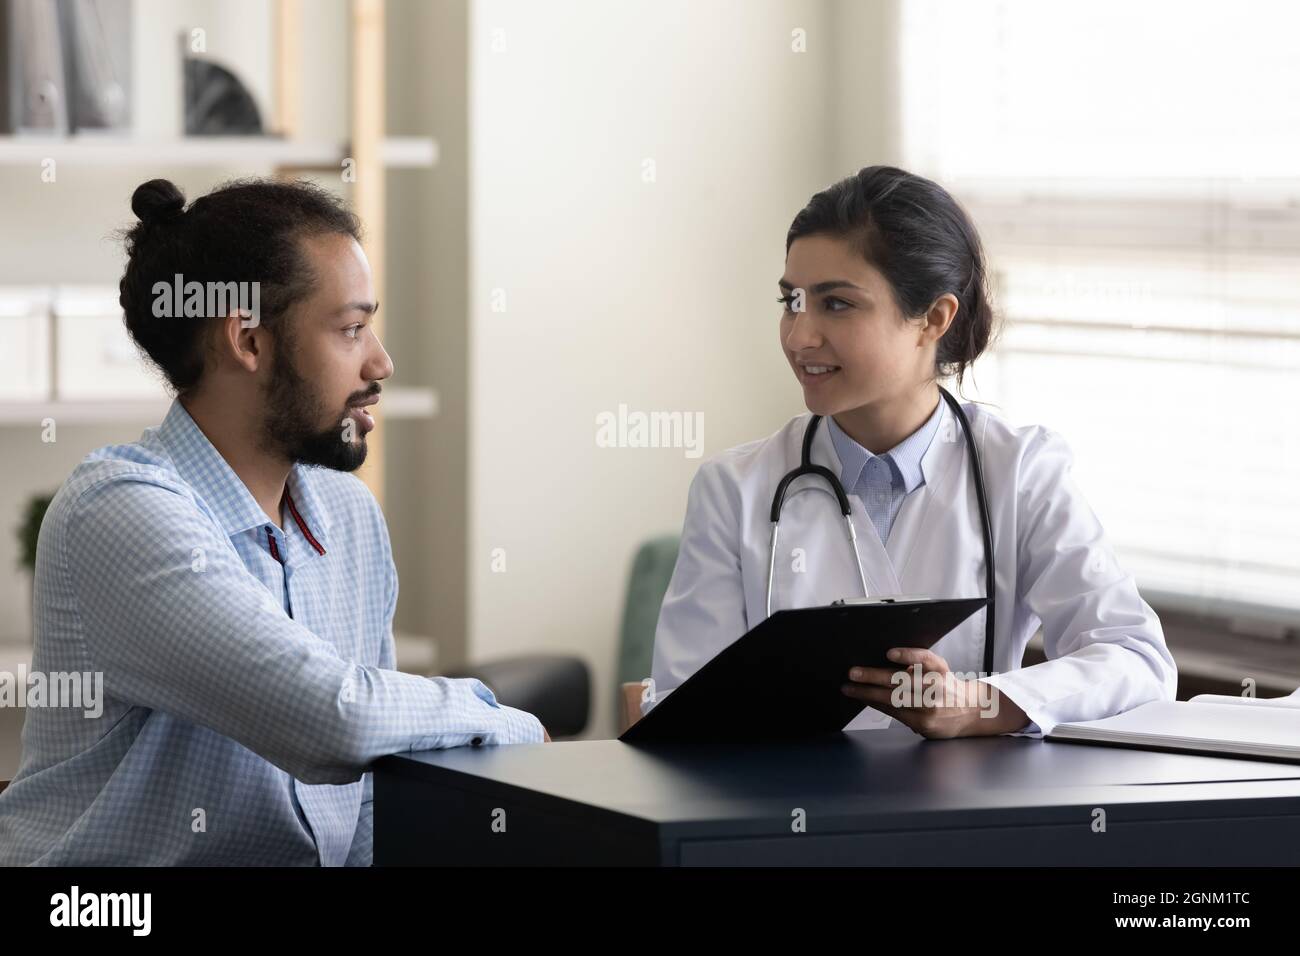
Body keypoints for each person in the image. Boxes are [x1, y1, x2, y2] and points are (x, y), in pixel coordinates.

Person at [0, 178, 547, 866]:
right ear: (249, 341)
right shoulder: (120, 512)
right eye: (350, 329)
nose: (381, 362)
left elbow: (369, 793)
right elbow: (333, 719)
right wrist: (504, 720)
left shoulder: (348, 516)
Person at [645, 165, 1177, 739]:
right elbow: (680, 712)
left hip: (964, 822)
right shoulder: (735, 489)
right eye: (791, 301)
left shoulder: (1021, 473)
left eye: (837, 304)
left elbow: (1137, 658)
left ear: (933, 318)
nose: (799, 336)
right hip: (787, 823)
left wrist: (979, 703)